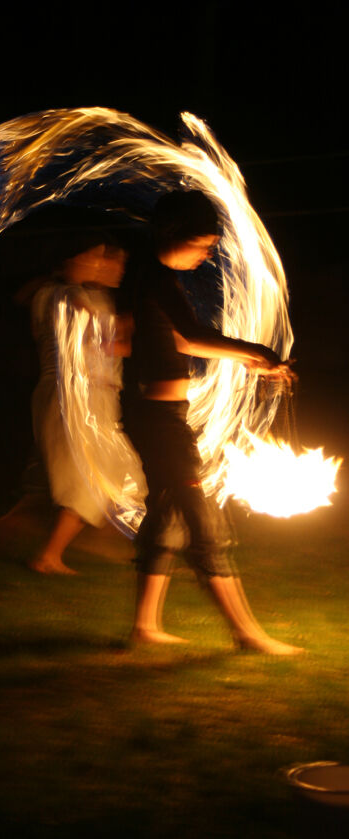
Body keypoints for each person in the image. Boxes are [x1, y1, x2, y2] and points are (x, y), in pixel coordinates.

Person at [126, 190, 303, 654]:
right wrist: (257, 351)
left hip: (164, 417)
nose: (207, 256)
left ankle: (145, 627)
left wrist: (253, 361)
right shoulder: (153, 276)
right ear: (175, 235)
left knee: (167, 516)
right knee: (205, 525)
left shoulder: (156, 277)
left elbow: (185, 343)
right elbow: (191, 333)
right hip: (160, 423)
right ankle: (247, 633)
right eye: (203, 245)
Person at [26, 232, 136, 575]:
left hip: (90, 397)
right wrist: (145, 324)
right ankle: (49, 557)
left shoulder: (74, 295)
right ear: (71, 260)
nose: (102, 264)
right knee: (91, 481)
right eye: (96, 256)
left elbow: (108, 342)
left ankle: (104, 544)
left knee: (117, 474)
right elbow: (103, 338)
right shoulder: (63, 295)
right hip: (74, 399)